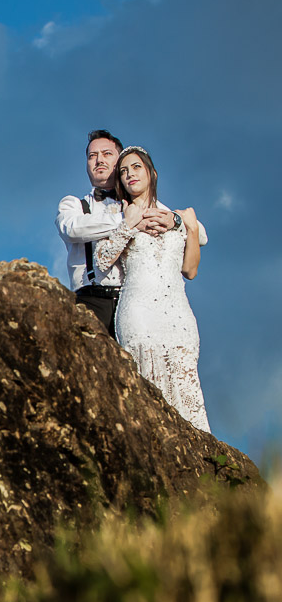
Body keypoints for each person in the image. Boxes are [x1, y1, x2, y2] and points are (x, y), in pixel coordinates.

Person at [92, 145, 210, 432]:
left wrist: (187, 226)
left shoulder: (175, 217)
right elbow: (101, 263)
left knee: (186, 388)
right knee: (148, 390)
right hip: (139, 313)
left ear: (151, 173)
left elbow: (190, 270)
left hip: (179, 316)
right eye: (123, 171)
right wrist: (128, 225)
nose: (130, 174)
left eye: (136, 167)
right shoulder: (116, 213)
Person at [55, 130, 192, 337]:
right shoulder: (75, 204)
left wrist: (176, 220)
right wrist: (125, 222)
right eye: (92, 156)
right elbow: (71, 228)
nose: (99, 160)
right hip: (91, 300)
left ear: (119, 162)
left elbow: (199, 232)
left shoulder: (139, 203)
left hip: (134, 303)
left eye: (107, 154)